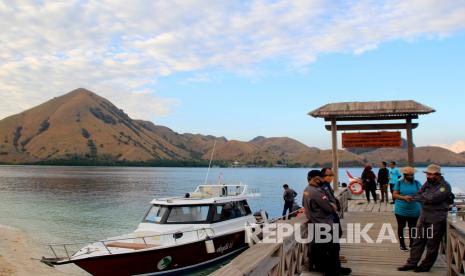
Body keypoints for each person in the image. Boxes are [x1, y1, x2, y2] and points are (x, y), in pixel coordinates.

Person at [398, 164, 452, 272]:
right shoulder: (428, 183)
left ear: (437, 175)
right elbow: (418, 194)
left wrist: (423, 196)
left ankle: (425, 266)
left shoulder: (444, 186)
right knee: (418, 241)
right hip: (424, 217)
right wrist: (424, 197)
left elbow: (432, 198)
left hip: (436, 218)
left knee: (432, 244)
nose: (428, 176)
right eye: (427, 174)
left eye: (431, 174)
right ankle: (412, 263)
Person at [302, 170, 351, 275]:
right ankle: (331, 271)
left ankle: (336, 269)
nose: (323, 180)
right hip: (324, 223)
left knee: (329, 249)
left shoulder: (307, 190)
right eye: (321, 178)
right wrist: (332, 205)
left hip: (318, 222)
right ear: (315, 178)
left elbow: (304, 204)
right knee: (330, 250)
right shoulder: (316, 191)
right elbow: (331, 208)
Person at [392, 167, 421, 251]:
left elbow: (422, 193)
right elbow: (394, 195)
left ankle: (412, 244)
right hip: (401, 210)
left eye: (412, 175)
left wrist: (416, 197)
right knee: (401, 227)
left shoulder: (417, 183)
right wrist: (404, 197)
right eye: (409, 175)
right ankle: (402, 244)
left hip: (414, 209)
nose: (411, 176)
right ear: (405, 175)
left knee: (413, 227)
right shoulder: (399, 183)